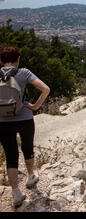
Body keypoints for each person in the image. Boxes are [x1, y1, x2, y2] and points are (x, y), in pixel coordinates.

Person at [0, 45, 50, 208]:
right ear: (18, 59)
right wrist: (35, 106)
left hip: (3, 122)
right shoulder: (24, 72)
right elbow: (45, 89)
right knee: (28, 149)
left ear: (1, 61)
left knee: (11, 156)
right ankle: (30, 177)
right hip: (25, 118)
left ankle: (15, 193)